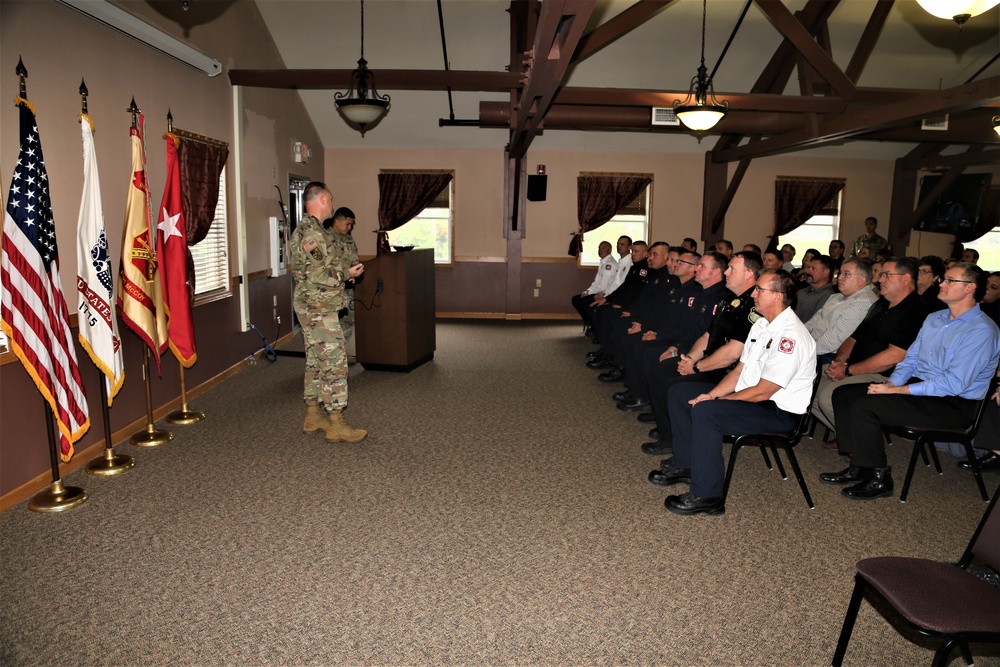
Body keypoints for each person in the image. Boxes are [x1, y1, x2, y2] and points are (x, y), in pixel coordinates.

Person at [821, 263, 1000, 500]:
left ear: (970, 289)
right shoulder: (935, 318)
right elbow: (910, 359)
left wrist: (900, 391)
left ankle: (879, 477)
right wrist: (893, 383)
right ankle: (859, 466)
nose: (941, 284)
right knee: (843, 394)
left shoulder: (982, 330)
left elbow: (954, 384)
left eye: (950, 281)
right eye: (943, 279)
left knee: (866, 405)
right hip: (923, 391)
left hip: (954, 404)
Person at [652, 269, 816, 516]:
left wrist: (716, 402)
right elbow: (740, 371)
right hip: (753, 396)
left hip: (777, 411)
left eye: (760, 289)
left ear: (778, 296)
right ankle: (686, 464)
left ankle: (708, 496)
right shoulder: (762, 324)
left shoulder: (790, 337)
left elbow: (763, 392)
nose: (754, 294)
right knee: (680, 394)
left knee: (707, 413)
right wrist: (712, 394)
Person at [639, 252, 761, 455]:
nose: (726, 272)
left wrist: (695, 367)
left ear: (749, 274)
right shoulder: (730, 301)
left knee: (674, 387)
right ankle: (669, 434)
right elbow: (708, 335)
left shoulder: (751, 307)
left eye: (732, 269)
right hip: (713, 364)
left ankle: (680, 449)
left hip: (731, 374)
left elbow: (733, 352)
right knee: (660, 372)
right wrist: (691, 358)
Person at [811, 256, 928, 443]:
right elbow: (854, 337)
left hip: (886, 376)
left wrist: (848, 371)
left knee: (828, 397)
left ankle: (865, 448)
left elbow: (895, 356)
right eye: (881, 274)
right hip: (855, 366)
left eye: (886, 275)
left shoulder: (916, 311)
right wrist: (840, 361)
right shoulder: (881, 303)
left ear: (905, 279)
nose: (880, 279)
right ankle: (849, 439)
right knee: (808, 387)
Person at [289, 182, 367, 443]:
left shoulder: (311, 231)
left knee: (314, 361)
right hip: (318, 308)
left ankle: (312, 416)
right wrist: (346, 274)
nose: (333, 204)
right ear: (321, 199)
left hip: (313, 305)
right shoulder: (311, 235)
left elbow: (322, 265)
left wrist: (345, 272)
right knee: (334, 364)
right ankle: (336, 423)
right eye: (330, 199)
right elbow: (318, 272)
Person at [805, 258, 877, 362]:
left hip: (828, 355)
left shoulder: (864, 302)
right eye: (840, 273)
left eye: (846, 274)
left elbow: (836, 338)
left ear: (862, 279)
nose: (840, 277)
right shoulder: (836, 297)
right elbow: (812, 323)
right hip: (812, 347)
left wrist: (805, 352)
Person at [328, 206, 361, 358]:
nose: (350, 227)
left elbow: (354, 259)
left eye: (351, 225)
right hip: (330, 290)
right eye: (347, 224)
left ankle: (341, 354)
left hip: (347, 289)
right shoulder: (324, 238)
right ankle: (330, 356)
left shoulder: (348, 239)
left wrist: (356, 272)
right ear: (337, 220)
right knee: (330, 325)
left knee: (347, 322)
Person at [571, 240, 618, 329]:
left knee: (581, 303)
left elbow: (603, 287)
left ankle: (592, 324)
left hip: (603, 294)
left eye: (603, 248)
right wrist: (588, 291)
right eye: (599, 247)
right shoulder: (603, 262)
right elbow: (596, 282)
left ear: (610, 250)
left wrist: (590, 293)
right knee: (576, 299)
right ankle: (589, 322)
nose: (600, 250)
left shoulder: (609, 264)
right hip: (597, 291)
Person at [792, 255, 835, 323]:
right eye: (809, 267)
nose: (808, 271)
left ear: (826, 272)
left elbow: (816, 324)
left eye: (813, 268)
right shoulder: (802, 291)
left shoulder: (829, 297)